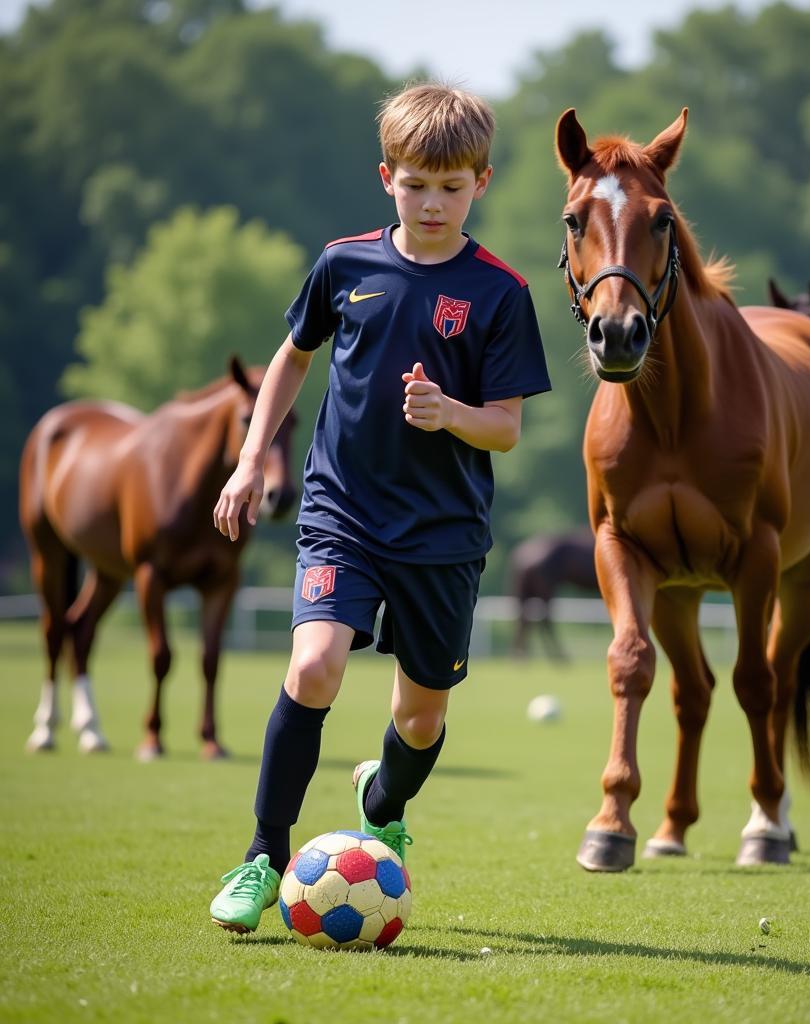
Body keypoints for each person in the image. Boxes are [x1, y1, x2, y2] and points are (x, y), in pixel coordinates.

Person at [207, 82, 550, 934]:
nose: (432, 203)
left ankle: (382, 797)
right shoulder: (343, 264)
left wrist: (449, 414)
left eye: (452, 186)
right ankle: (260, 856)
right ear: (386, 175)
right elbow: (290, 360)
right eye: (415, 184)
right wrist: (251, 462)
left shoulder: (501, 293)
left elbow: (506, 431)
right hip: (343, 511)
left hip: (442, 534)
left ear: (483, 182)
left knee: (420, 718)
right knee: (314, 665)